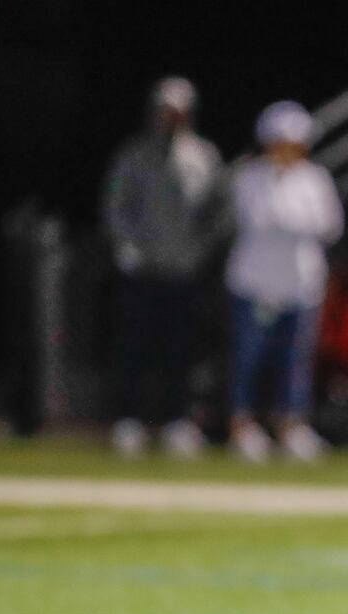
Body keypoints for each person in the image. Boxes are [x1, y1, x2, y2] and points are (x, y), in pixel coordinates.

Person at [101, 76, 230, 458]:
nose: (171, 118)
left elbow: (221, 213)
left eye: (178, 111)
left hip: (185, 272)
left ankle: (178, 421)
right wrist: (127, 248)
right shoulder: (133, 155)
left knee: (182, 351)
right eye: (165, 110)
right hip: (143, 270)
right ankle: (129, 420)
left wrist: (200, 252)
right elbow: (115, 206)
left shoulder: (204, 157)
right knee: (134, 347)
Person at [225, 100, 344, 463]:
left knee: (295, 361)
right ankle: (242, 425)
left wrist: (289, 221)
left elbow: (329, 226)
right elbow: (257, 220)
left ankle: (291, 426)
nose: (288, 150)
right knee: (250, 358)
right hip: (255, 286)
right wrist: (293, 221)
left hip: (300, 286)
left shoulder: (315, 179)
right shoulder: (249, 177)